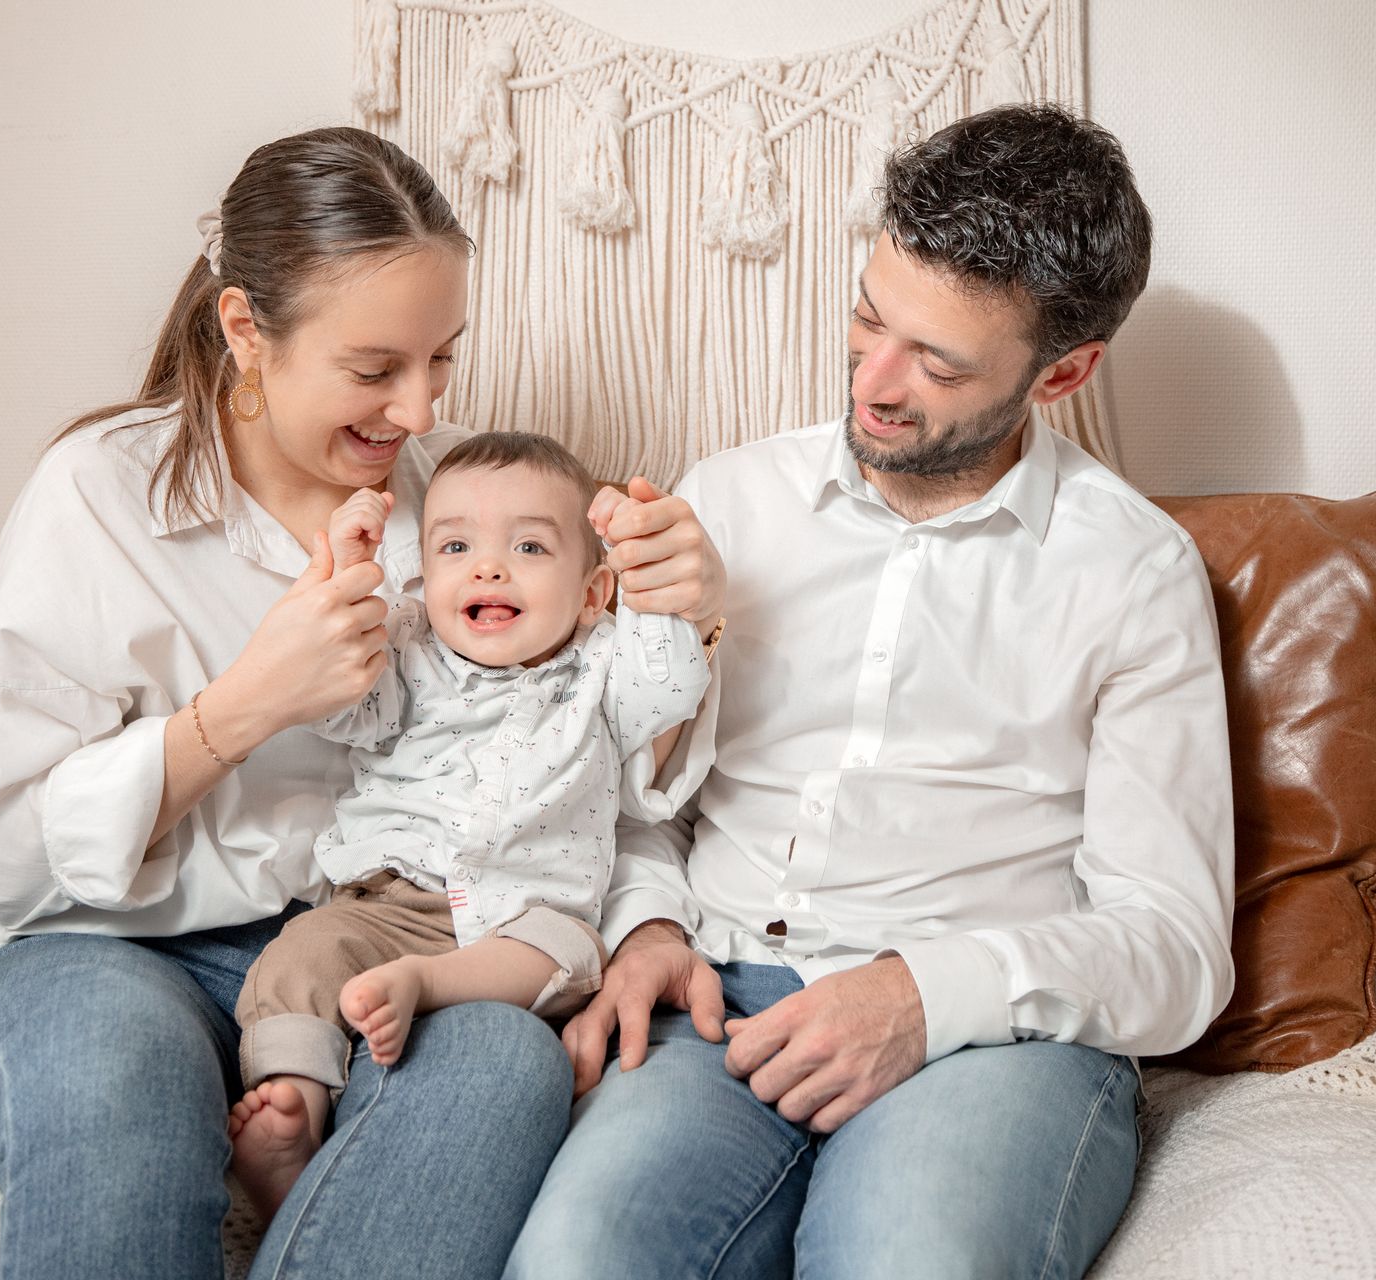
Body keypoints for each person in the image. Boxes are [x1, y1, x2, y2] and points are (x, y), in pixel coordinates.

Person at [0, 127, 725, 1280]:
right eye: (375, 366)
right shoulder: (100, 494)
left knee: (505, 1062)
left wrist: (681, 639)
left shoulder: (467, 515)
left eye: (442, 358)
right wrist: (241, 707)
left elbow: (570, 764)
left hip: (388, 944)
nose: (416, 404)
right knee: (125, 1104)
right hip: (97, 950)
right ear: (248, 329)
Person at [507, 104, 1236, 1279]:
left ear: (1067, 371)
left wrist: (919, 995)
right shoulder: (728, 502)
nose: (875, 381)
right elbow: (636, 801)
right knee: (577, 1255)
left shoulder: (1134, 573)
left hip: (990, 1031)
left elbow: (1176, 943)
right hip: (721, 994)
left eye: (939, 361)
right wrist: (644, 920)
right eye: (866, 316)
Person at [225, 431, 717, 1218]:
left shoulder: (602, 666)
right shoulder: (407, 650)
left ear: (592, 594)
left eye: (528, 546)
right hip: (387, 902)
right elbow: (339, 708)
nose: (489, 567)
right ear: (423, 579)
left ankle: (424, 987)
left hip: (527, 920)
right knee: (302, 954)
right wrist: (354, 578)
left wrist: (649, 589)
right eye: (457, 546)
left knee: (571, 953)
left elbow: (671, 691)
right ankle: (293, 1104)